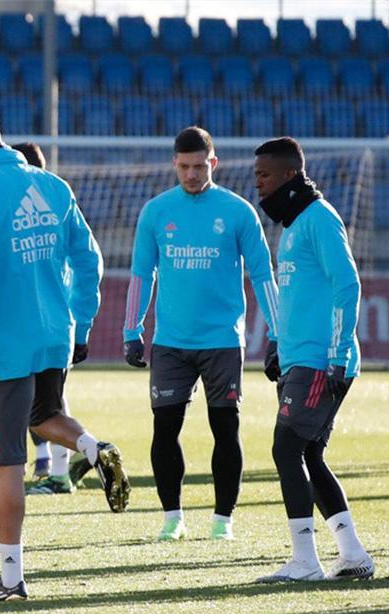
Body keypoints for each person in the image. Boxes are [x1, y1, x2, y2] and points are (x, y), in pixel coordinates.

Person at [0, 116, 128, 601]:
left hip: (7, 344)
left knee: (8, 464)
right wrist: (82, 324)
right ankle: (91, 447)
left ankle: (10, 578)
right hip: (54, 334)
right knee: (44, 415)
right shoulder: (52, 185)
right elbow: (90, 260)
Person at [123, 127, 279, 542]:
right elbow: (142, 274)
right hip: (171, 342)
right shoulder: (156, 212)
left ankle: (222, 521)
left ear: (214, 163)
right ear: (174, 163)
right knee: (164, 430)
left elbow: (263, 273)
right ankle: (172, 518)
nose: (192, 174)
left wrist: (278, 333)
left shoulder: (238, 211)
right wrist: (131, 329)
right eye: (185, 166)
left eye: (199, 166)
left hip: (223, 342)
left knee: (225, 429)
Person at [252, 137, 373, 583]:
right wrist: (279, 345)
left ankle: (305, 561)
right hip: (301, 358)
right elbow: (300, 297)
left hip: (322, 361)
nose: (258, 185)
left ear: (287, 175)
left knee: (286, 449)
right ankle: (353, 554)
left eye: (264, 176)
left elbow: (348, 285)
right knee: (309, 456)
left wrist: (339, 355)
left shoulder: (319, 218)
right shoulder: (294, 224)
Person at [12, 141, 65, 482]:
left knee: (38, 398)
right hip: (61, 318)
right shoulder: (60, 198)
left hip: (33, 318)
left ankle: (61, 466)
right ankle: (48, 460)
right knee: (47, 398)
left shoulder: (27, 209)